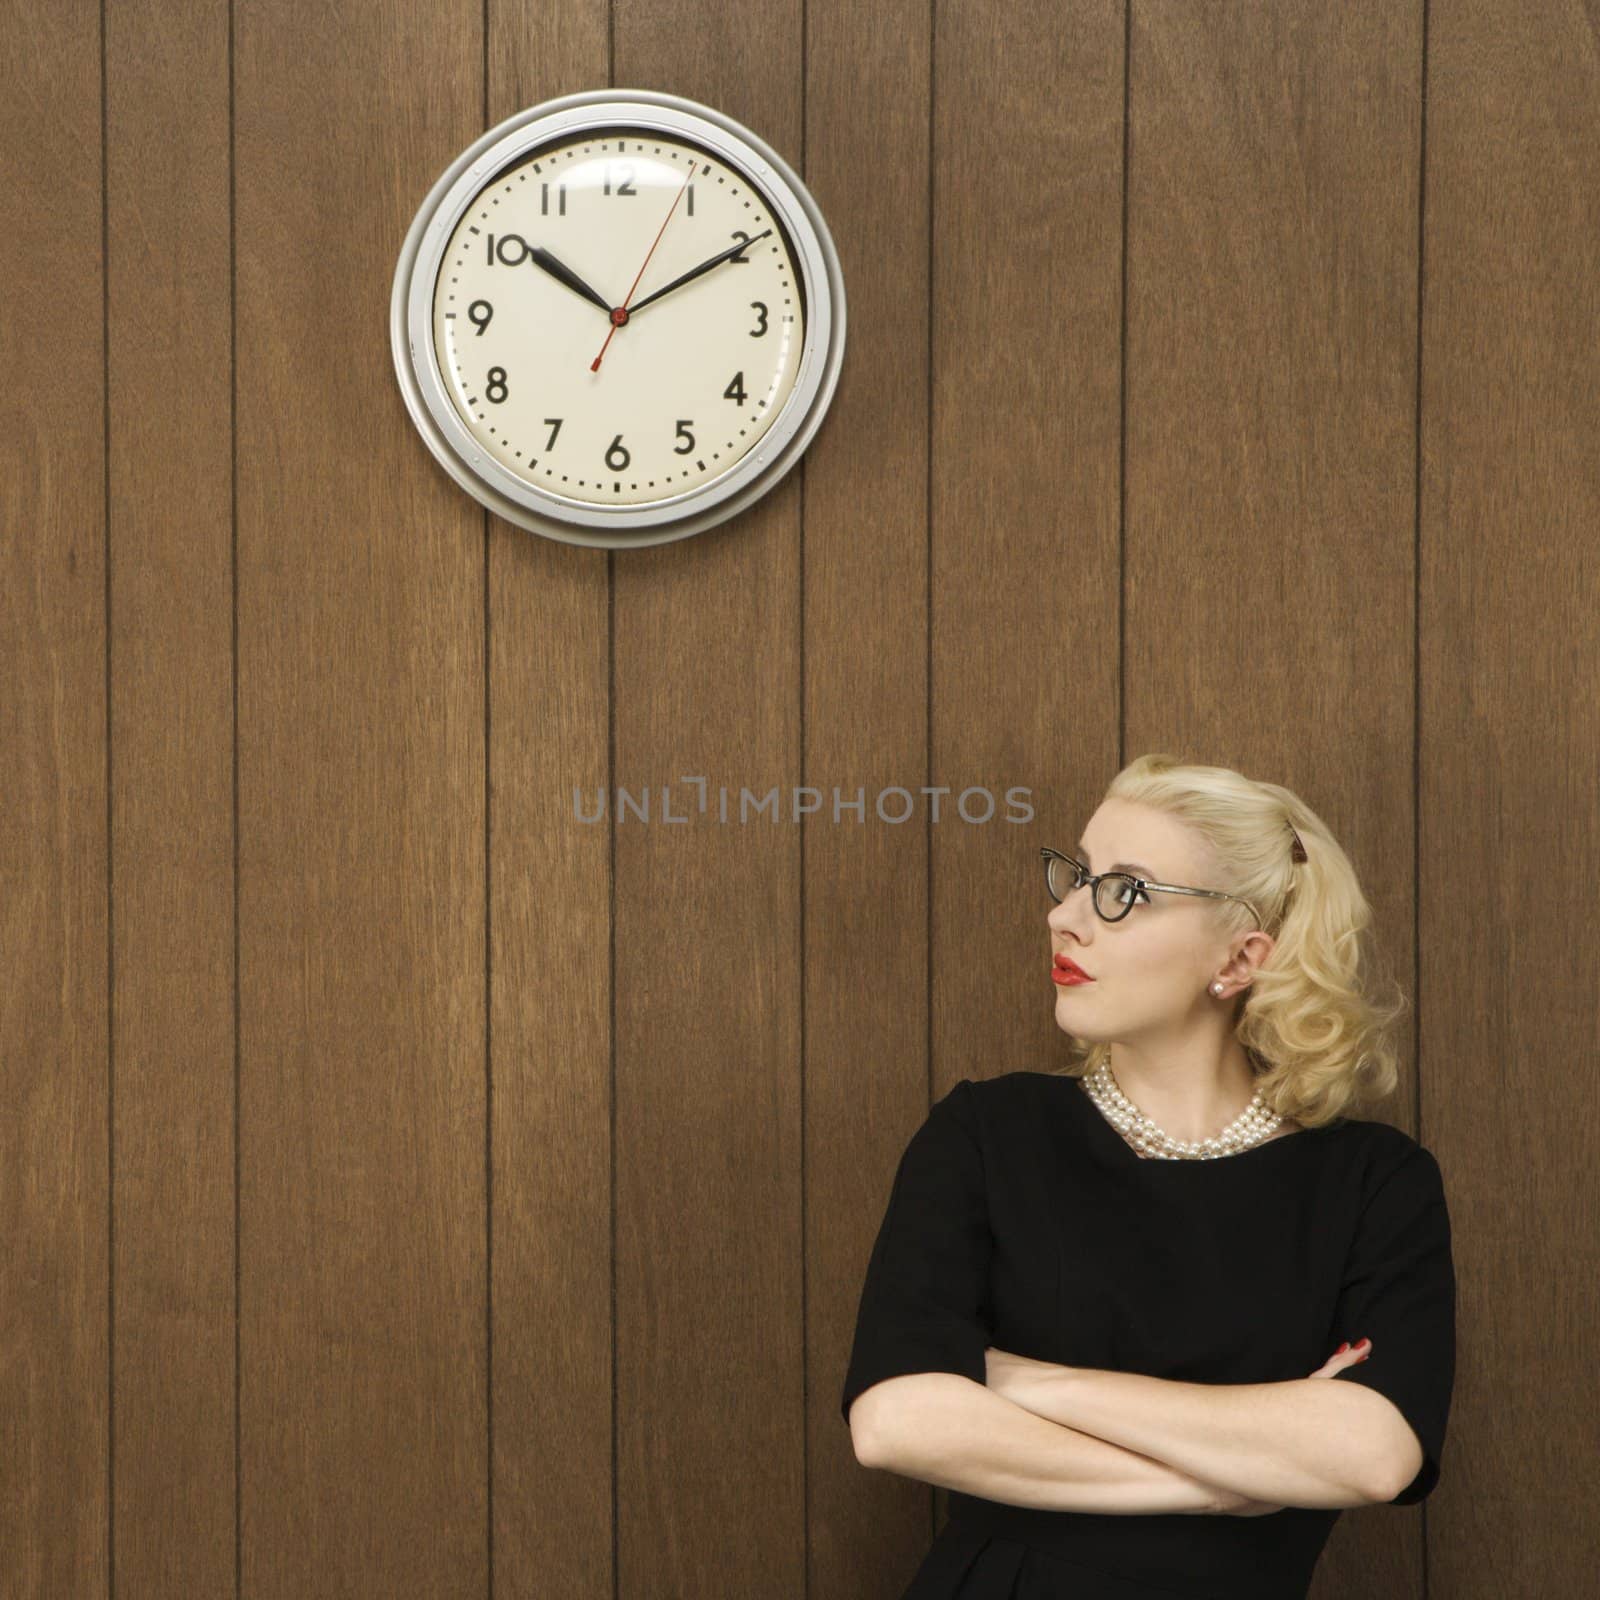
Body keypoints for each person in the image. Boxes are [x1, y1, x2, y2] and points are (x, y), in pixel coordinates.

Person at [839, 754, 1456, 1598]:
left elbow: (1375, 1451)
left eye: (1122, 892)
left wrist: (1022, 1378)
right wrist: (1231, 1481)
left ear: (1240, 959)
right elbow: (897, 1420)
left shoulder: (1376, 1182)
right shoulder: (987, 1132)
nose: (1064, 917)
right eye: (1076, 877)